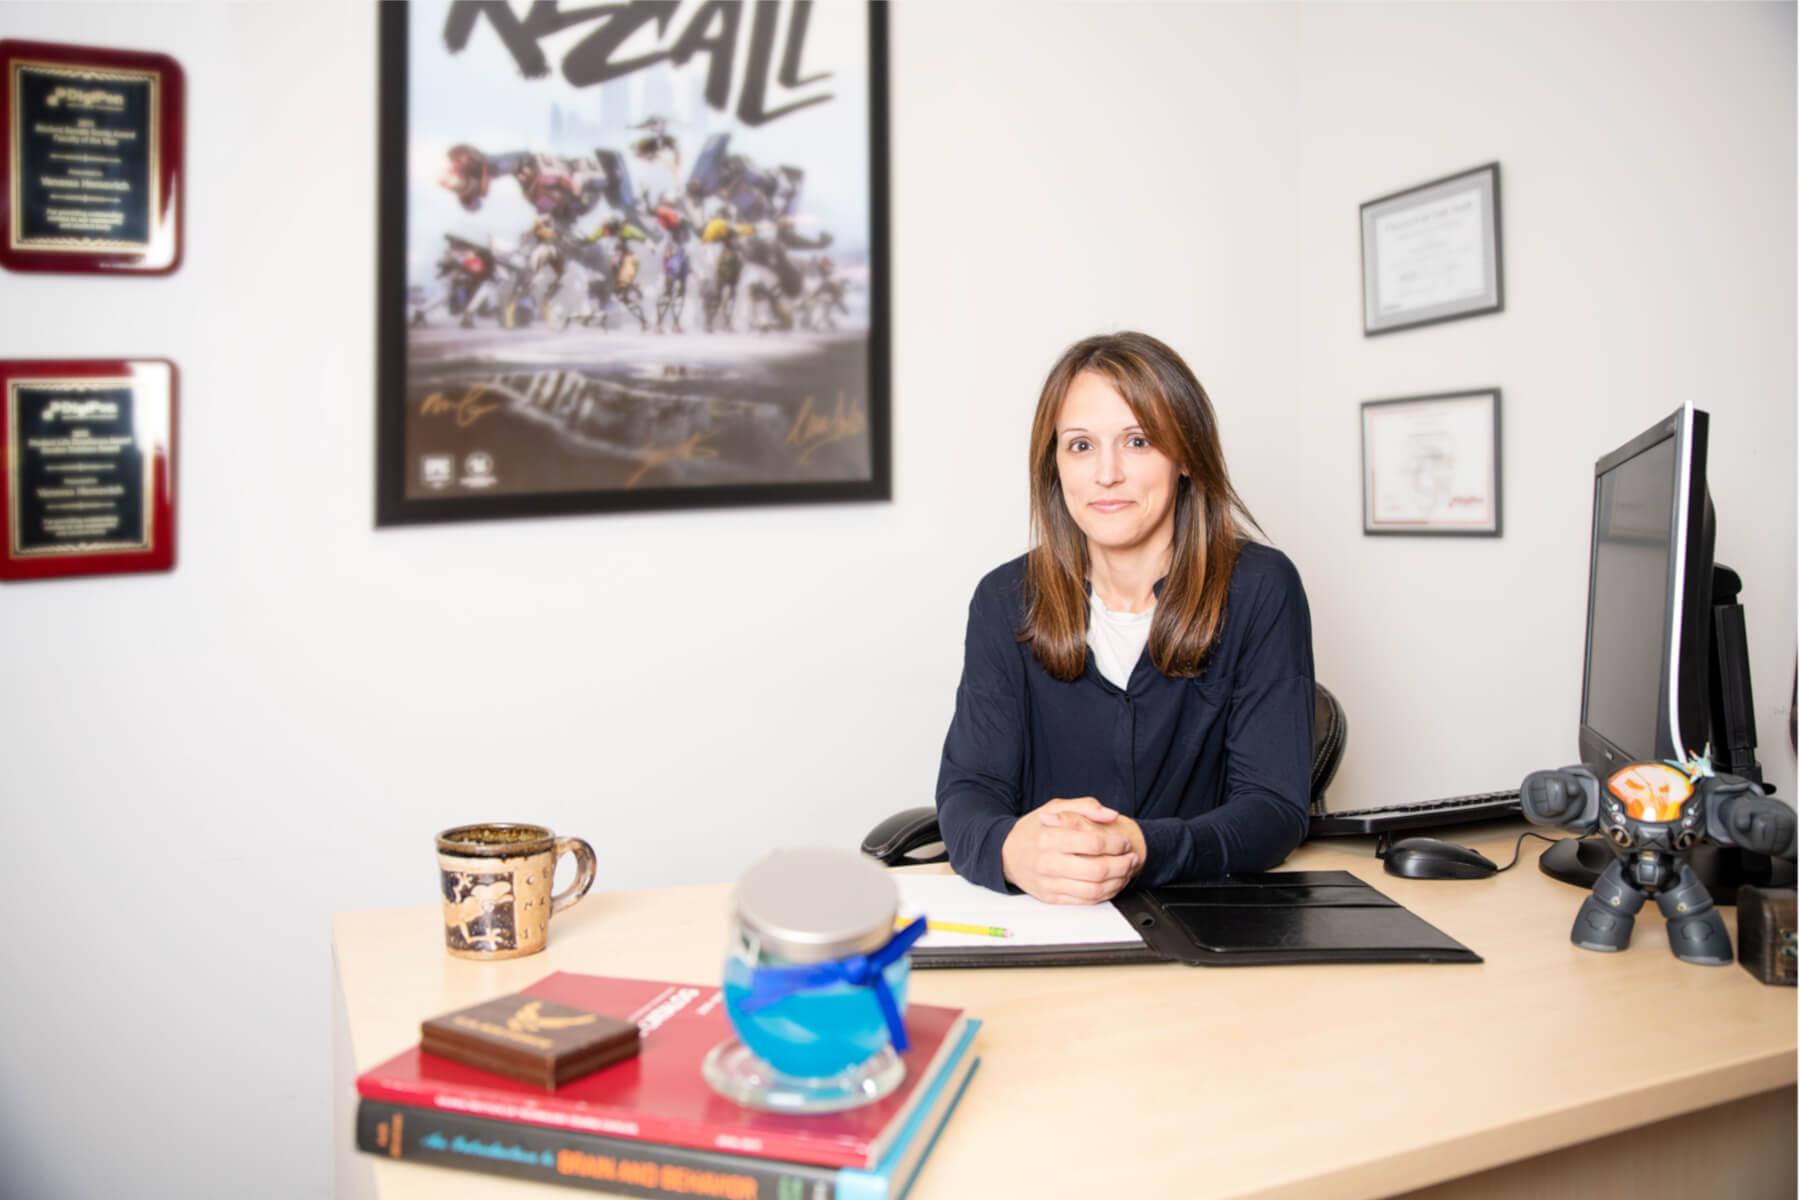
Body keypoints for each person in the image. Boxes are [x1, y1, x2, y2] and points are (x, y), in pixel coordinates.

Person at [935, 331, 1314, 904]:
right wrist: (1014, 849)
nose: (1105, 474)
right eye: (1081, 446)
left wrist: (1139, 845)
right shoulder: (1004, 597)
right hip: (1049, 922)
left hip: (1203, 923)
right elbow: (969, 791)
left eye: (1137, 441)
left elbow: (1274, 809)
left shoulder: (1261, 588)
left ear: (1185, 454)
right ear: (1055, 464)